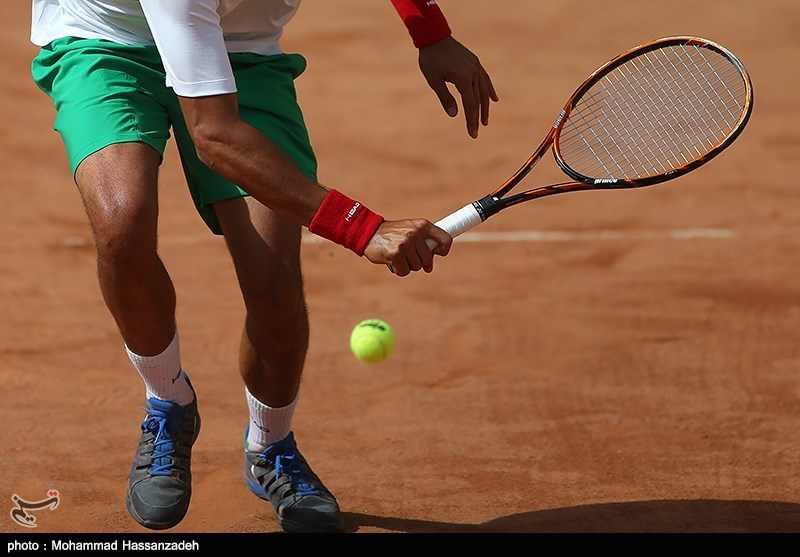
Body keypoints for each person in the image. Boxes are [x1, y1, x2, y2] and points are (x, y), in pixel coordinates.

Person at [30, 0, 498, 533]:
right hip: (106, 35)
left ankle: (269, 444)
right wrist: (361, 227)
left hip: (243, 47)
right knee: (123, 227)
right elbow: (214, 135)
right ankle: (168, 401)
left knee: (275, 291)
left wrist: (429, 31)